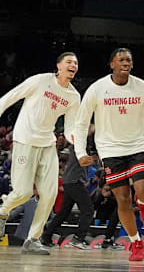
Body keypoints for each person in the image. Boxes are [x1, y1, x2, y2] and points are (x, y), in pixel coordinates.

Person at [73, 48, 144, 262]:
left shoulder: (142, 87)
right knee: (123, 200)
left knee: (143, 192)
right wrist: (80, 152)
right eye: (121, 59)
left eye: (129, 60)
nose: (125, 62)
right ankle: (136, 242)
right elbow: (80, 122)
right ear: (112, 64)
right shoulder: (97, 89)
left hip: (136, 147)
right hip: (110, 150)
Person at [0, 52, 81, 255]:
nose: (73, 65)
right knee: (23, 192)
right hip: (25, 139)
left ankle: (32, 239)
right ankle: (2, 211)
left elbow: (71, 128)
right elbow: (11, 97)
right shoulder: (40, 80)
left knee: (50, 193)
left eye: (76, 63)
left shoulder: (73, 96)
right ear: (59, 66)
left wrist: (79, 145)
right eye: (69, 62)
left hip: (47, 144)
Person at [40, 143, 92, 249]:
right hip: (74, 181)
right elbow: (85, 160)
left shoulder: (78, 145)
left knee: (64, 212)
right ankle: (78, 238)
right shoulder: (79, 144)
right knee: (88, 209)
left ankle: (46, 236)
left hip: (69, 181)